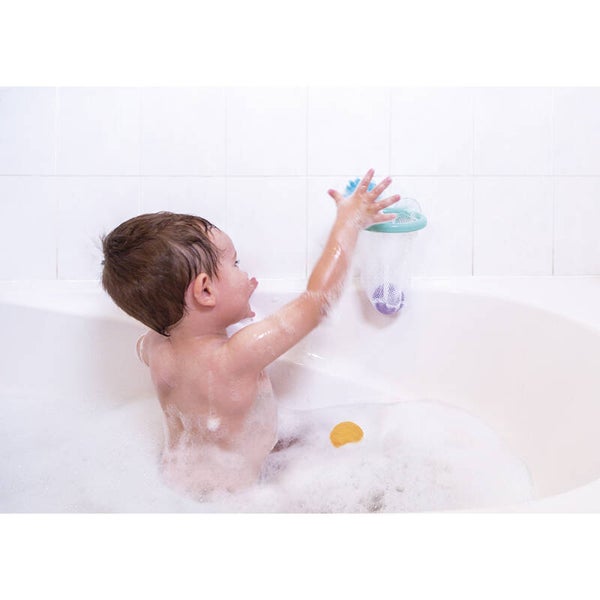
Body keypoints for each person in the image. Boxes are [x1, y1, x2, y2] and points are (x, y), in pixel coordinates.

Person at [101, 169, 399, 499]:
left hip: (175, 484)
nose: (247, 274)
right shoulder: (236, 357)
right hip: (232, 500)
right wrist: (349, 222)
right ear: (205, 291)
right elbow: (316, 302)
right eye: (236, 263)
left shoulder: (152, 346)